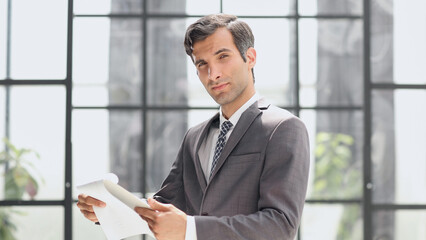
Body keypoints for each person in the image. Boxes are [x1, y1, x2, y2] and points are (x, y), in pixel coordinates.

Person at [77, 13, 310, 240]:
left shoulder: (283, 128)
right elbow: (163, 208)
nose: (213, 74)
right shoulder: (195, 136)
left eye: (223, 57)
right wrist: (106, 208)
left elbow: (280, 226)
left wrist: (191, 229)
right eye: (202, 64)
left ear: (250, 57)